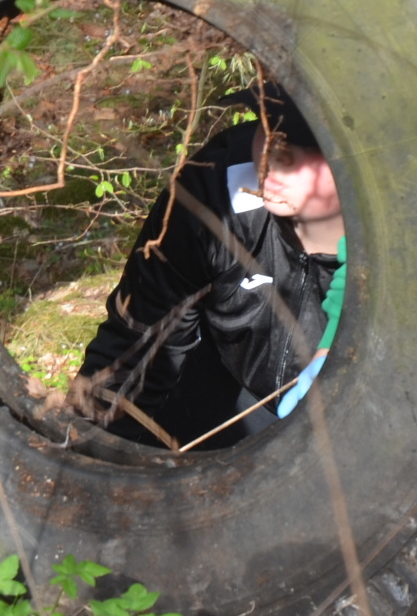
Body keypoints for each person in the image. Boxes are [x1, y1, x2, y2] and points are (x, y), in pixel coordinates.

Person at [69, 84, 345, 451]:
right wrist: (89, 454)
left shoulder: (410, 244)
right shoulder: (214, 192)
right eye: (268, 125)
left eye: (308, 143)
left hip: (350, 413)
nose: (275, 155)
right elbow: (141, 339)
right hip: (226, 383)